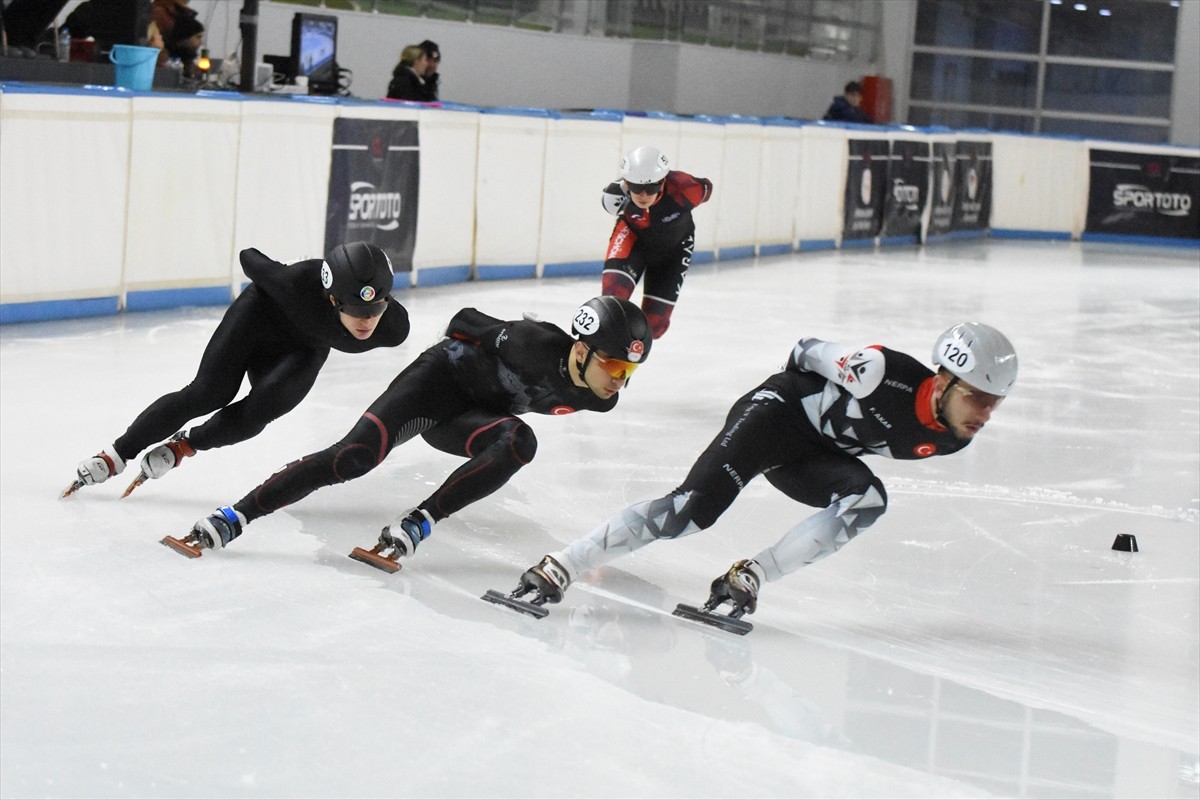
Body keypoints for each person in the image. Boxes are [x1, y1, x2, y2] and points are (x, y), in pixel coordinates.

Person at [506, 322, 1018, 623]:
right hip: (776, 415)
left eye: (993, 403)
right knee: (691, 512)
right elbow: (802, 352)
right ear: (945, 380)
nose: (983, 414)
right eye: (976, 396)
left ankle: (749, 576)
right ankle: (561, 565)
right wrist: (776, 412)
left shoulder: (951, 438)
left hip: (810, 455)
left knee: (868, 499)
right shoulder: (878, 372)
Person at [163, 297, 654, 564]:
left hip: (467, 421)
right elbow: (463, 320)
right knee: (352, 458)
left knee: (520, 441)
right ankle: (234, 516)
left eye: (628, 374)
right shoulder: (530, 342)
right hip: (437, 383)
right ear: (583, 350)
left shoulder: (598, 397)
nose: (618, 382)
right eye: (614, 366)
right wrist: (472, 357)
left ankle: (419, 522)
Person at [62, 242, 410, 499]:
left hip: (304, 348)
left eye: (377, 308)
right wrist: (282, 264)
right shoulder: (293, 283)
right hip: (259, 318)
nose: (367, 321)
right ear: (332, 298)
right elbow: (249, 257)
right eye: (356, 309)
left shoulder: (392, 328)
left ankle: (185, 446)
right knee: (209, 392)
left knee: (260, 411)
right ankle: (116, 454)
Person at [598, 146, 713, 340]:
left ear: (663, 181)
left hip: (674, 249)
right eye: (636, 187)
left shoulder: (685, 188)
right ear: (626, 183)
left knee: (655, 325)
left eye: (651, 187)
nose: (643, 195)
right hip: (633, 240)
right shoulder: (615, 196)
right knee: (611, 304)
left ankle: (624, 363)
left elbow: (707, 187)